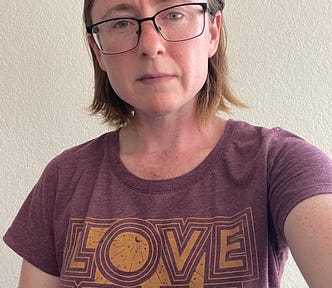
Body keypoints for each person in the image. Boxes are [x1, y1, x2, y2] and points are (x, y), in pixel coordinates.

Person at [4, 0, 332, 287]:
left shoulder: (278, 163)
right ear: (97, 50)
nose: (150, 45)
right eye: (121, 22)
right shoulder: (63, 178)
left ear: (212, 32)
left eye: (174, 14)